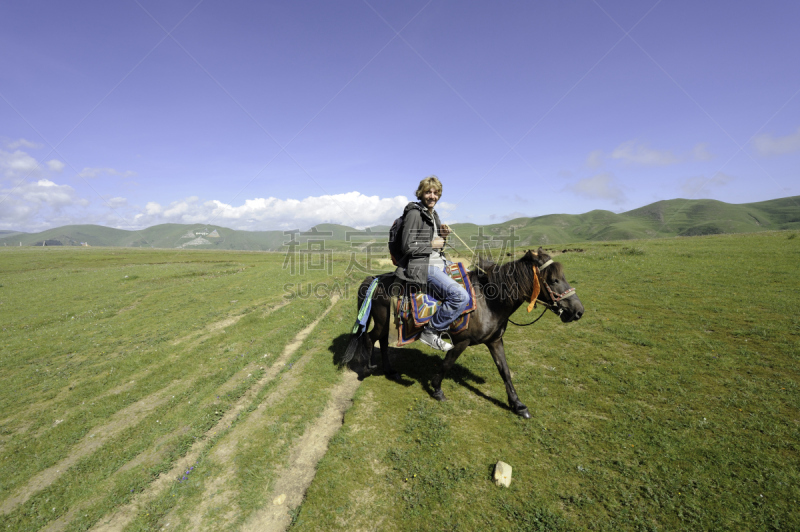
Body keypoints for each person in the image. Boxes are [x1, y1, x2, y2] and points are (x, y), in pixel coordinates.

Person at [394, 175, 469, 351]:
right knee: (461, 296)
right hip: (422, 266)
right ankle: (431, 331)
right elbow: (407, 246)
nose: (432, 196)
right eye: (428, 192)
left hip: (437, 261)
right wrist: (431, 244)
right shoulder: (414, 213)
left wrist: (442, 236)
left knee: (471, 276)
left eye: (436, 193)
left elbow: (435, 246)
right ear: (421, 193)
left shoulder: (433, 214)